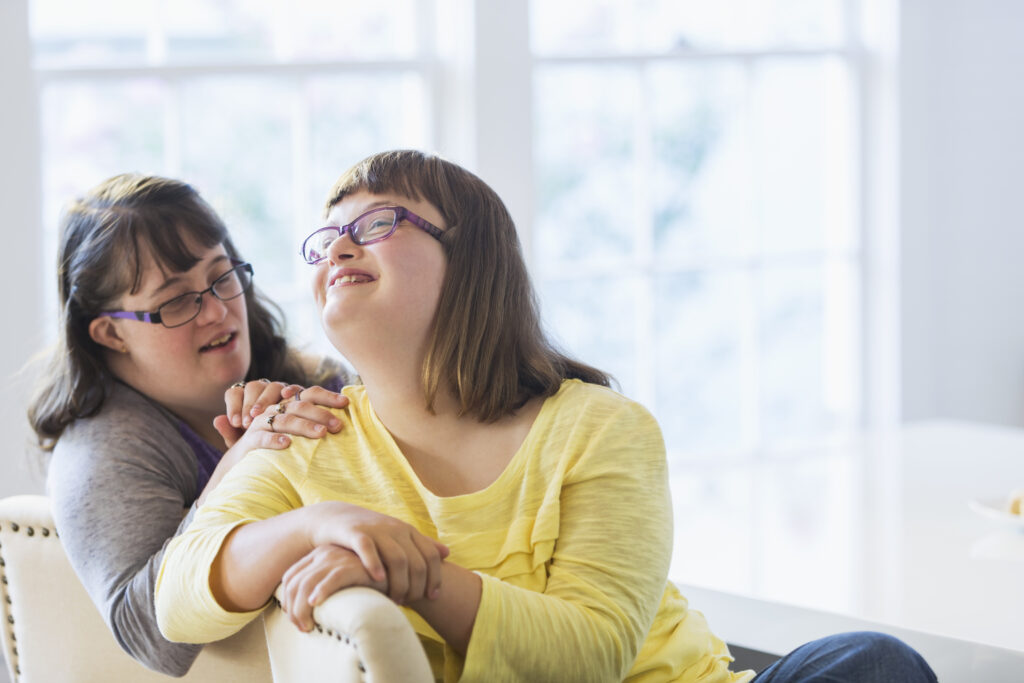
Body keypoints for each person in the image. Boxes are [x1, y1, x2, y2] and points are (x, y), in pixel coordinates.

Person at [154, 150, 936, 682]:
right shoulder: (301, 435)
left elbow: (593, 652)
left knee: (870, 661)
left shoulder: (599, 426)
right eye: (326, 239)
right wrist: (317, 524)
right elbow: (177, 596)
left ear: (473, 263)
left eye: (378, 224)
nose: (338, 248)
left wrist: (413, 576)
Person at [28, 173, 352, 676]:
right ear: (111, 332)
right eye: (177, 300)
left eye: (222, 276)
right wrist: (238, 468)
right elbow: (151, 636)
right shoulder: (104, 450)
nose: (219, 311)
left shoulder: (318, 382)